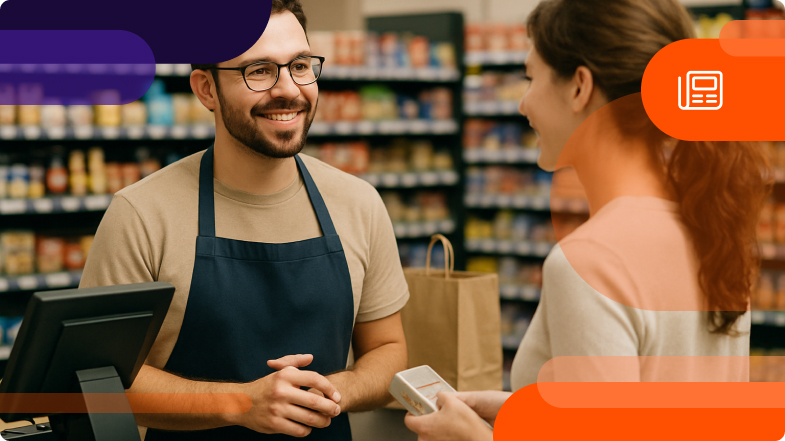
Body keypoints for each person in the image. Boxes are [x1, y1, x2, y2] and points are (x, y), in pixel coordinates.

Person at [405, 0, 769, 439]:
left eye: (530, 77)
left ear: (579, 86)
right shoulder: (713, 229)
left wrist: (473, 437)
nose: (522, 104)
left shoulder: (589, 261)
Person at [80, 1, 410, 439]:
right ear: (206, 89)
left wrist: (333, 391)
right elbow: (101, 380)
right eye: (259, 70)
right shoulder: (142, 215)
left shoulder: (359, 203)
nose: (289, 89)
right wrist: (240, 404)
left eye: (299, 65)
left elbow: (388, 349)